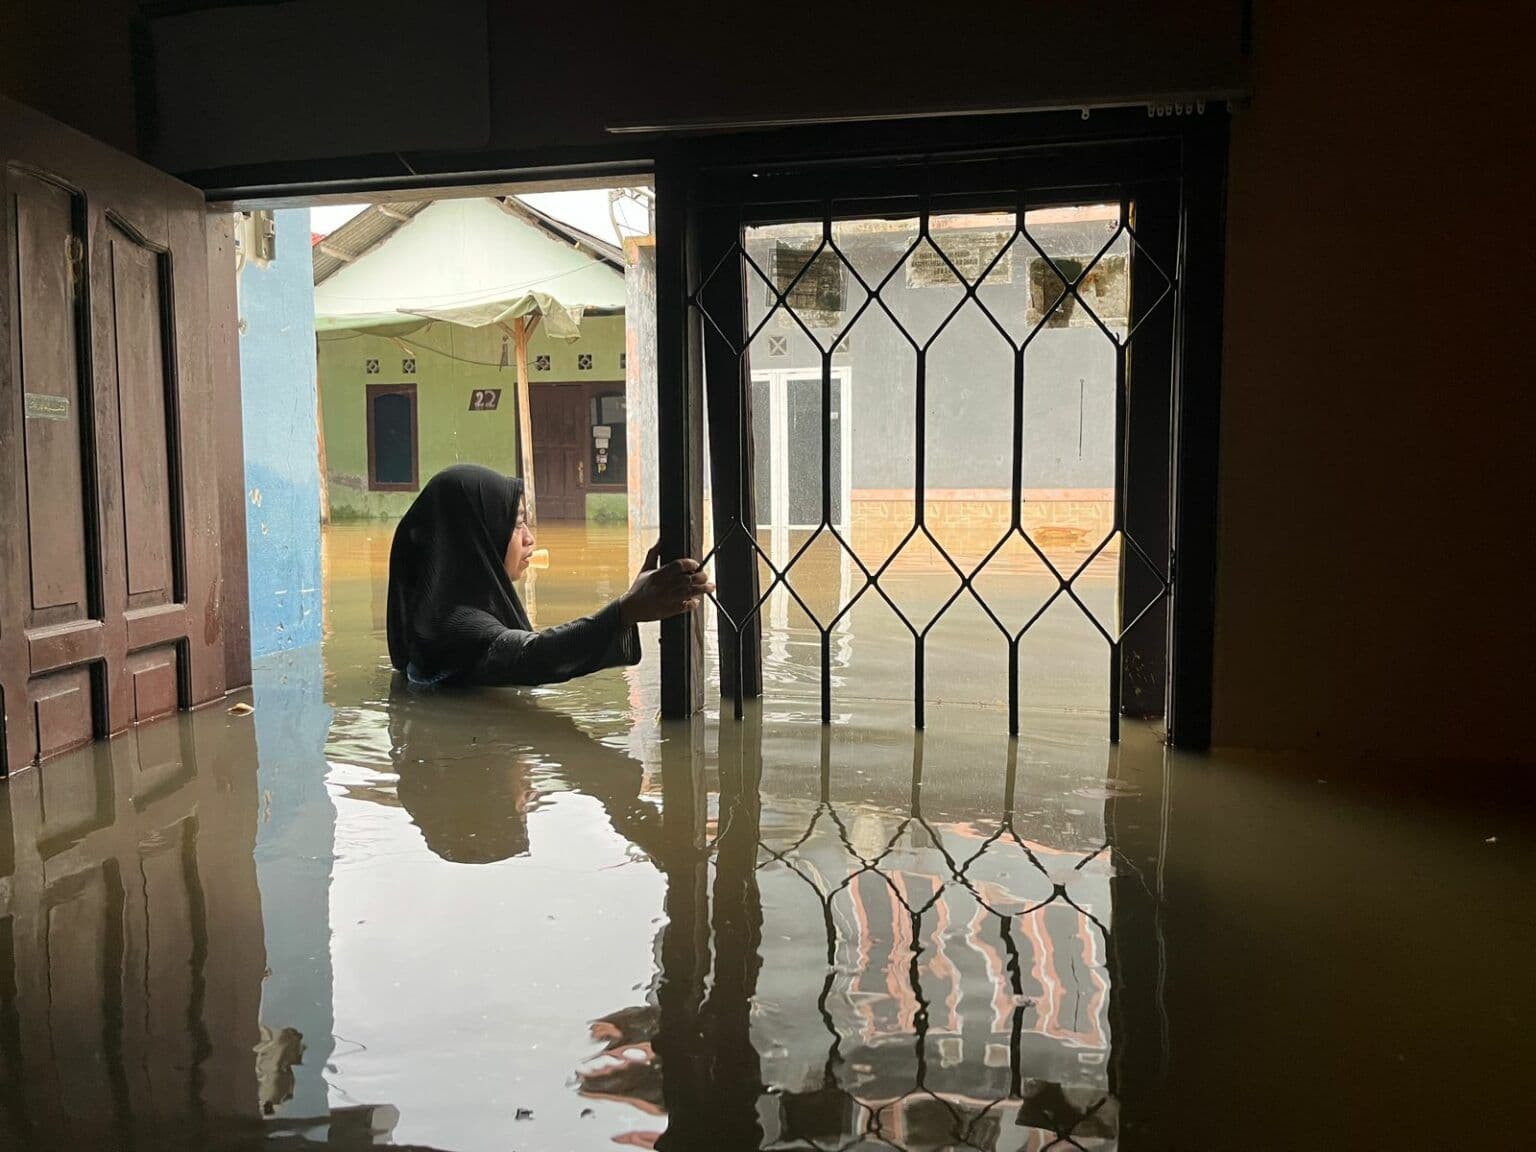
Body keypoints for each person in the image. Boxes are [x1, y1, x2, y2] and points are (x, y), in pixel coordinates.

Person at [386, 464, 710, 690]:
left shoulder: (430, 621)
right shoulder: (457, 628)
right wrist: (626, 610)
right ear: (473, 537)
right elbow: (533, 656)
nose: (529, 539)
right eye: (516, 523)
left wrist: (634, 604)